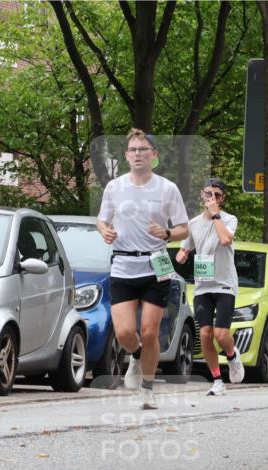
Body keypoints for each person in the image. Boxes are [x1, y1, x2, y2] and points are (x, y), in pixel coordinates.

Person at [97, 129, 190, 409]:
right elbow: (102, 221)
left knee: (150, 331)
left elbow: (184, 228)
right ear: (126, 156)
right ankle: (136, 356)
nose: (138, 154)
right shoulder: (114, 187)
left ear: (154, 155)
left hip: (156, 262)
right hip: (124, 263)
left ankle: (147, 389)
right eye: (133, 150)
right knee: (125, 333)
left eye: (143, 149)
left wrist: (166, 233)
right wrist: (105, 232)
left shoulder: (167, 188)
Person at [175, 178, 244, 396]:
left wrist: (215, 215)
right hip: (203, 286)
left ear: (222, 199)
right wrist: (183, 254)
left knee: (221, 334)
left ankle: (232, 356)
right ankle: (216, 380)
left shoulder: (229, 219)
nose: (211, 198)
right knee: (205, 334)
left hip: (224, 284)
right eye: (207, 194)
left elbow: (225, 240)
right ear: (202, 196)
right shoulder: (194, 223)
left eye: (215, 194)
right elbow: (185, 248)